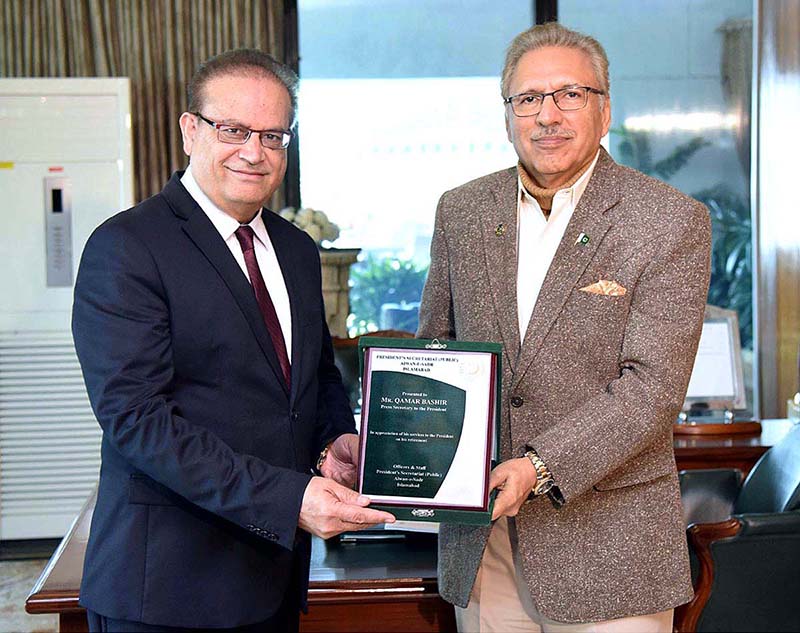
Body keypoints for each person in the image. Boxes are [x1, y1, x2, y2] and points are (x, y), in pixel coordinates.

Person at [72, 49, 394, 633]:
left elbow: (314, 373)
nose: (255, 152)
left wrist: (335, 439)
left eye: (274, 135)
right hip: (166, 589)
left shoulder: (297, 249)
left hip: (271, 580)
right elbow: (137, 420)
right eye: (234, 130)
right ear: (190, 131)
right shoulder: (127, 247)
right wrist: (288, 500)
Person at [418, 23, 710, 633]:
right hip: (483, 542)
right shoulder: (462, 210)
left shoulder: (668, 220)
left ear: (604, 111)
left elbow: (651, 390)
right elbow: (436, 349)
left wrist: (538, 467)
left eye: (569, 95)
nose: (547, 115)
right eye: (528, 99)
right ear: (508, 115)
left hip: (610, 551)